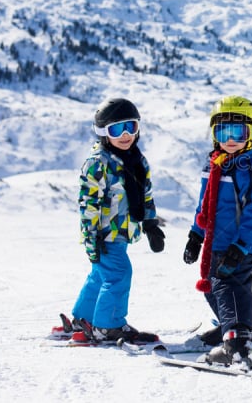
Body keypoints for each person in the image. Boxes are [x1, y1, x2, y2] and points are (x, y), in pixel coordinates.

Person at [183, 96, 252, 371]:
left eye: (238, 132)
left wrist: (242, 246)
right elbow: (205, 204)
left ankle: (237, 348)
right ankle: (232, 327)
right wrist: (195, 235)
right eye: (222, 131)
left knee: (229, 286)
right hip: (217, 241)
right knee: (214, 287)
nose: (230, 138)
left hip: (240, 243)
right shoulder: (215, 162)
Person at [71, 97, 165, 342]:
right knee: (118, 275)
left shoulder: (137, 160)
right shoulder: (97, 164)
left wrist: (151, 224)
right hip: (104, 235)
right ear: (103, 133)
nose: (125, 135)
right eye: (116, 129)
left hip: (122, 233)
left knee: (100, 275)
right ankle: (108, 325)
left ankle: (84, 319)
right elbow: (88, 205)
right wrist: (91, 239)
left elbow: (145, 194)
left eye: (130, 127)